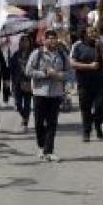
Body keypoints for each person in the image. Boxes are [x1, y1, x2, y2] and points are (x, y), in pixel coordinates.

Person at [26, 30, 70, 162]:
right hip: (40, 93)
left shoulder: (62, 55)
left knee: (52, 123)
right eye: (49, 39)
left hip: (55, 93)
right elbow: (28, 71)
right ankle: (41, 146)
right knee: (39, 122)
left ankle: (49, 151)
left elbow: (69, 73)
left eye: (54, 39)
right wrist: (45, 73)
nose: (52, 41)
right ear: (44, 40)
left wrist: (59, 75)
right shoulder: (37, 54)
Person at [71, 27, 103, 141]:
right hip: (84, 83)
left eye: (95, 32)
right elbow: (72, 63)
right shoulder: (78, 46)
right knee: (85, 109)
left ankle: (97, 124)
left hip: (100, 83)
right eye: (90, 32)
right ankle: (86, 132)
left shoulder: (101, 45)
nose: (93, 34)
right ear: (85, 34)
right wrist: (89, 66)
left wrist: (102, 47)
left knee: (101, 107)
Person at [9, 35, 35, 132]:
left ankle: (25, 122)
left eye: (26, 41)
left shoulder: (33, 54)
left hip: (28, 82)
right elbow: (11, 68)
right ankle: (24, 116)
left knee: (27, 103)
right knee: (18, 103)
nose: (25, 43)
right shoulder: (16, 54)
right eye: (23, 41)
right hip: (17, 83)